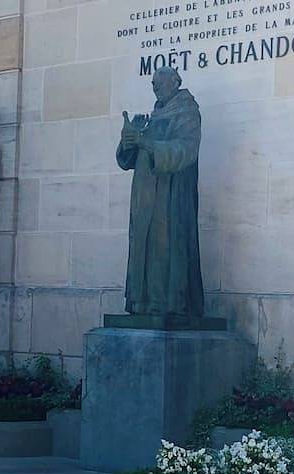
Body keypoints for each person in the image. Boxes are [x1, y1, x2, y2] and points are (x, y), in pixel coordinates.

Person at [116, 66, 204, 320]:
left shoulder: (187, 112)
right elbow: (127, 159)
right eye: (153, 83)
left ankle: (166, 305)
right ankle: (140, 303)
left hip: (170, 198)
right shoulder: (153, 115)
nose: (154, 86)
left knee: (164, 248)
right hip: (144, 197)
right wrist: (129, 138)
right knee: (142, 246)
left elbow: (186, 150)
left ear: (175, 81)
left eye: (159, 82)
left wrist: (147, 142)